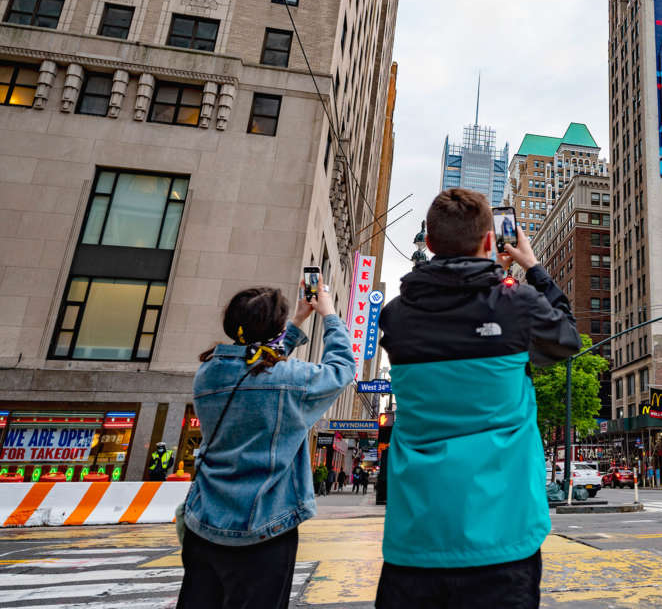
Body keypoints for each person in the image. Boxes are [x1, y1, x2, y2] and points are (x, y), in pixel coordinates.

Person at [374, 188, 580, 609]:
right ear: (490, 241)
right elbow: (566, 337)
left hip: (416, 537)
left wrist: (486, 277)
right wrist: (531, 267)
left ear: (428, 244)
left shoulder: (394, 316)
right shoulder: (517, 306)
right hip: (503, 539)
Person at [177, 278, 354, 609]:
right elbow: (342, 367)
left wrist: (297, 320)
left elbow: (258, 362)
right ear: (273, 329)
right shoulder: (290, 379)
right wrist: (328, 314)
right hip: (264, 531)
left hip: (204, 525)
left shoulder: (208, 372)